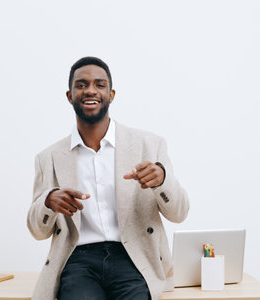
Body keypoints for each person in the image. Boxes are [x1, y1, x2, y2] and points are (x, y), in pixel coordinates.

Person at [27, 56, 189, 300]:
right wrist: (48, 201)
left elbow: (179, 213)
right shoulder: (48, 157)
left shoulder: (149, 145)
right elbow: (37, 231)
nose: (90, 90)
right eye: (81, 85)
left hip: (134, 256)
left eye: (99, 84)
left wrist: (161, 180)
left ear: (111, 94)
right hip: (78, 260)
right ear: (70, 96)